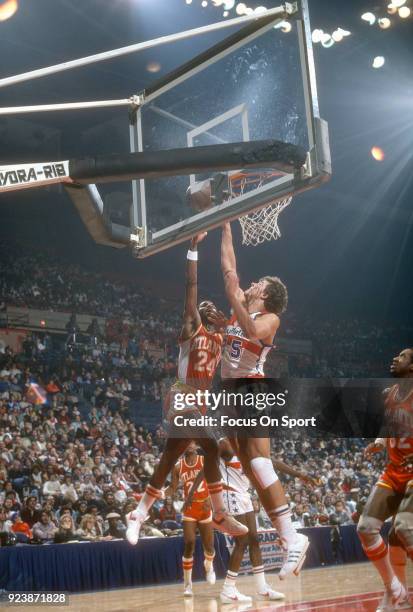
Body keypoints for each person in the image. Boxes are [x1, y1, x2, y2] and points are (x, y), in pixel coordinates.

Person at [126, 234, 247, 546]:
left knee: (168, 459)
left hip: (202, 401)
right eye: (203, 305)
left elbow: (241, 310)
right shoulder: (192, 327)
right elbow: (191, 289)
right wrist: (193, 249)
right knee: (212, 446)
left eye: (212, 304)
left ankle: (139, 514)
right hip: (183, 395)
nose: (207, 305)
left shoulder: (222, 335)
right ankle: (220, 512)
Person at [220, 222, 309, 579]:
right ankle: (290, 537)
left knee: (258, 463)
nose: (253, 283)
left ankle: (293, 536)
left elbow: (253, 332)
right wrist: (224, 225)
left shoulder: (269, 318)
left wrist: (235, 300)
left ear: (266, 296)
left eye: (261, 284)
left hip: (254, 387)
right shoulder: (242, 304)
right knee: (251, 467)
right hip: (233, 393)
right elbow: (229, 268)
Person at [357, 348, 413, 612]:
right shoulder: (389, 394)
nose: (395, 358)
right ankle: (395, 590)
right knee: (366, 528)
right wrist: (379, 442)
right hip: (393, 471)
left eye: (402, 357)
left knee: (403, 527)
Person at [167, 443, 216, 597]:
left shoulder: (204, 460)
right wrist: (159, 493)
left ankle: (209, 565)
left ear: (196, 445)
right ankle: (188, 584)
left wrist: (212, 499)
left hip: (205, 507)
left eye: (192, 442)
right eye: (186, 443)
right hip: (189, 509)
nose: (189, 445)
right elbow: (172, 489)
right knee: (189, 543)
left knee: (209, 547)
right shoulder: (177, 467)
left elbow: (217, 481)